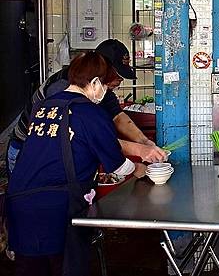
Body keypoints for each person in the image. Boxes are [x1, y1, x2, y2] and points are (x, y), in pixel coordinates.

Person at [6, 52, 146, 276]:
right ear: (95, 83)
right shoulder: (90, 112)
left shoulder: (44, 106)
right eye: (106, 86)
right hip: (57, 210)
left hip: (20, 205)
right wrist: (140, 168)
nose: (108, 92)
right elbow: (118, 166)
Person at [6, 39, 166, 175]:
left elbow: (117, 116)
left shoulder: (99, 89)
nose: (118, 82)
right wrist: (139, 154)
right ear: (100, 70)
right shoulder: (62, 88)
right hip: (26, 149)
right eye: (117, 76)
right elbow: (91, 138)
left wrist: (144, 141)